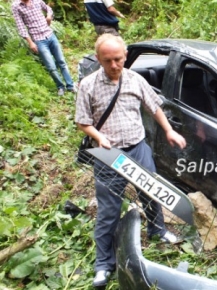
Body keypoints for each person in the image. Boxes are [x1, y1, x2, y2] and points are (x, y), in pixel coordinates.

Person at [74, 34, 186, 287]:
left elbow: (154, 106)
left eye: (118, 59)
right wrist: (98, 136)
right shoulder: (88, 85)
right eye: (107, 61)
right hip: (108, 155)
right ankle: (103, 264)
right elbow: (82, 121)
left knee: (151, 192)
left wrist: (169, 130)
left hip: (138, 148)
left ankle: (157, 230)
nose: (114, 65)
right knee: (109, 209)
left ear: (125, 56)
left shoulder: (136, 79)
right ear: (98, 59)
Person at [11, 0, 76, 96]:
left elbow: (48, 8)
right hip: (38, 40)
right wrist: (31, 43)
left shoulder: (37, 1)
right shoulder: (16, 6)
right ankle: (60, 87)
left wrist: (49, 16)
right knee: (51, 67)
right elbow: (21, 27)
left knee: (61, 61)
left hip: (50, 35)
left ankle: (70, 86)